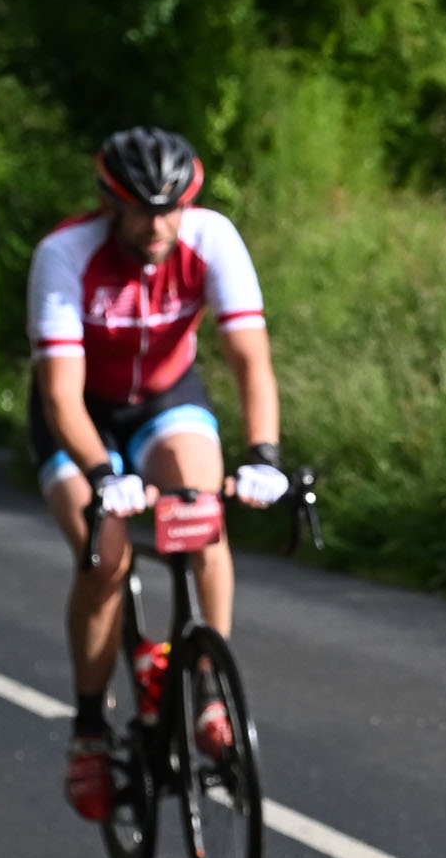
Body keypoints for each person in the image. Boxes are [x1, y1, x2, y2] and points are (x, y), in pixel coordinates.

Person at [30, 129, 289, 822]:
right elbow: (60, 397)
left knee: (203, 517)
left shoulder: (213, 239)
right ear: (109, 205)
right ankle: (90, 728)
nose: (158, 227)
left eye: (171, 209)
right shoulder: (64, 255)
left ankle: (207, 688)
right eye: (142, 211)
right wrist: (101, 473)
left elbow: (250, 361)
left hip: (166, 399)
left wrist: (263, 453)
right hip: (80, 413)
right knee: (106, 558)